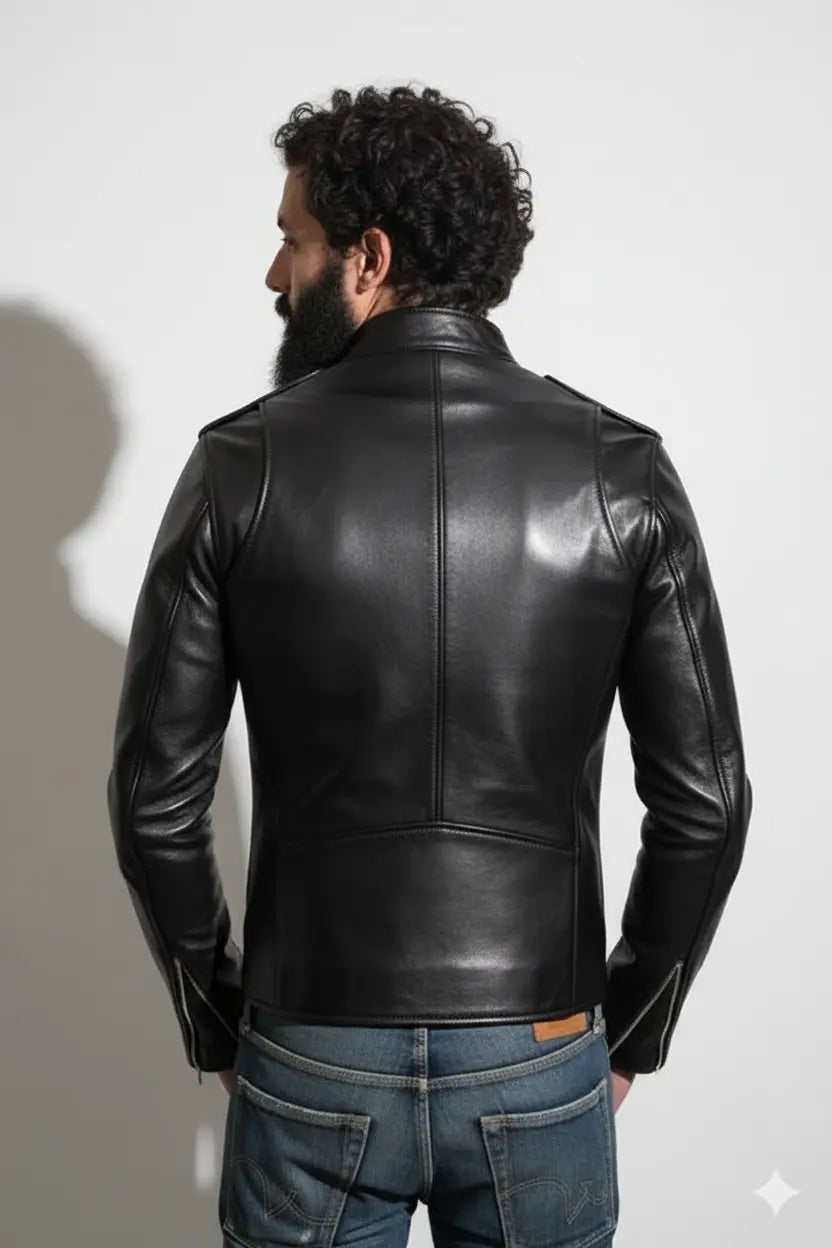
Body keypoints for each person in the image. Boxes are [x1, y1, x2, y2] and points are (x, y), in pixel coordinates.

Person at [107, 83, 752, 1247]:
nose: (273, 273)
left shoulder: (241, 466)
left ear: (369, 258)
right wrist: (630, 1029)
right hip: (538, 1041)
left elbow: (155, 801)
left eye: (293, 240)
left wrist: (218, 1020)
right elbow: (706, 801)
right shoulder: (619, 472)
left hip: (310, 1037)